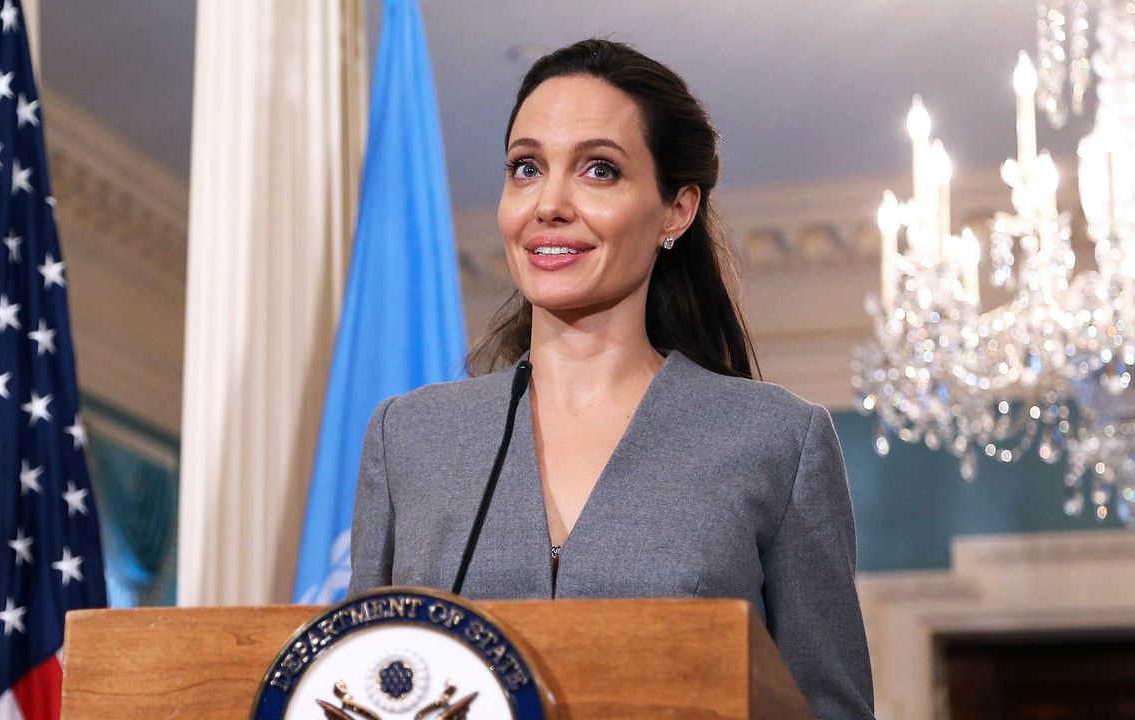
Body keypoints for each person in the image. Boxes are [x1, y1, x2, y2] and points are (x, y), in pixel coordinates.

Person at [347, 38, 874, 718]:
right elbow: (353, 679)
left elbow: (829, 708)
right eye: (526, 167)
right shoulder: (409, 438)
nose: (549, 204)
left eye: (599, 170)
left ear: (676, 211)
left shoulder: (778, 439)